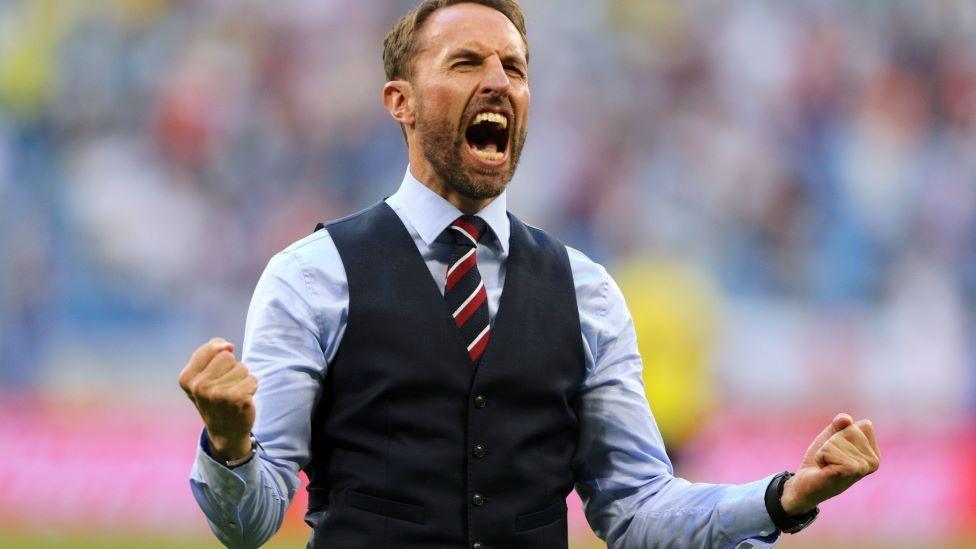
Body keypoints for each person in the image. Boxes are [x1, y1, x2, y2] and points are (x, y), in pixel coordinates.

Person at [178, 1, 881, 547]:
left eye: (513, 67)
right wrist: (230, 443)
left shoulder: (586, 293)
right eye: (465, 62)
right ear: (401, 101)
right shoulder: (311, 278)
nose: (497, 80)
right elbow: (248, 522)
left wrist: (783, 497)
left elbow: (636, 510)